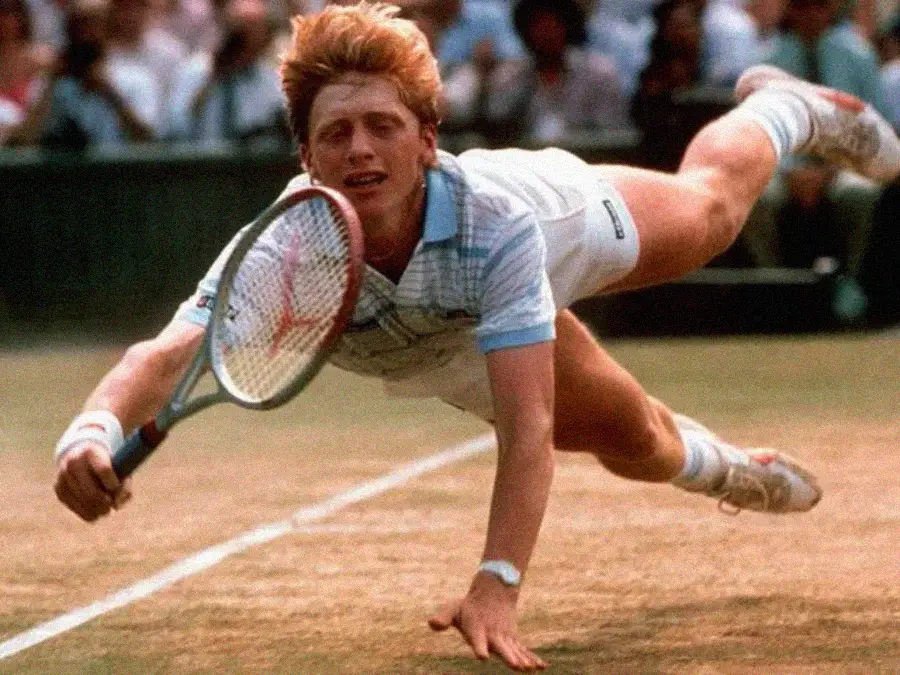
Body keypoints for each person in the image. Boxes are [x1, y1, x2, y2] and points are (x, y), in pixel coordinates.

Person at [52, 2, 900, 672]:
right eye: (336, 133)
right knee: (630, 438)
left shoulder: (495, 223)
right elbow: (160, 357)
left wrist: (497, 583)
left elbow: (522, 429)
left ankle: (784, 110)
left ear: (427, 140)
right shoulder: (281, 248)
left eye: (383, 126)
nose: (360, 149)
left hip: (544, 225)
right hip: (439, 343)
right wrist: (89, 433)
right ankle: (733, 468)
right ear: (305, 157)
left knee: (710, 215)